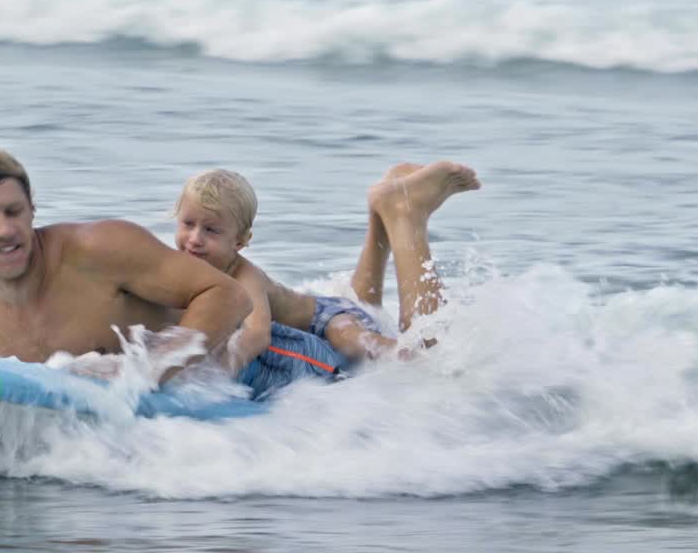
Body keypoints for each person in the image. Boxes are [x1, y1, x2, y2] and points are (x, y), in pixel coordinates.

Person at [0, 143, 252, 382]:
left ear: (32, 208)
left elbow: (229, 295)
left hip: (252, 366)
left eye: (14, 211)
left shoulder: (99, 251)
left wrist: (147, 372)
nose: (5, 230)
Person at [174, 161, 480, 394]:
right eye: (188, 224)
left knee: (355, 341)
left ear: (240, 242)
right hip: (325, 309)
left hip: (327, 318)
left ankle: (413, 357)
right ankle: (384, 203)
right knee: (362, 302)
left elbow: (256, 335)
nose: (194, 239)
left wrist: (217, 377)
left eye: (211, 230)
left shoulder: (244, 276)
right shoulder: (185, 264)